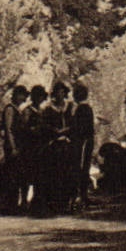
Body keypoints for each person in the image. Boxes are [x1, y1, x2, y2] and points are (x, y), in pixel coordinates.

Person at [47, 82, 78, 212]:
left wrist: (66, 130)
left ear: (65, 93)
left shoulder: (70, 107)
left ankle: (69, 201)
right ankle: (57, 202)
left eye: (62, 92)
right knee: (56, 173)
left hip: (68, 142)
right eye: (57, 92)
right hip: (55, 144)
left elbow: (75, 124)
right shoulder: (49, 109)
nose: (60, 94)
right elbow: (46, 126)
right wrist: (55, 131)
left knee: (69, 172)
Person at [1, 84, 30, 212]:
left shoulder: (19, 110)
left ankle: (20, 203)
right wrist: (12, 147)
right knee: (12, 175)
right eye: (20, 95)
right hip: (12, 146)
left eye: (23, 96)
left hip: (21, 146)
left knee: (21, 175)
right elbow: (8, 129)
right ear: (16, 96)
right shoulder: (10, 109)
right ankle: (11, 205)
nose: (22, 98)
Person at [25, 84, 52, 213]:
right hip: (31, 146)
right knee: (34, 174)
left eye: (41, 96)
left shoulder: (42, 111)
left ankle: (40, 201)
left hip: (42, 146)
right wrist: (35, 130)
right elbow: (23, 129)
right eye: (37, 96)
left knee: (42, 174)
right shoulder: (28, 111)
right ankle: (33, 202)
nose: (40, 99)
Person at [72, 82, 96, 209]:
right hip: (88, 140)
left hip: (82, 142)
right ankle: (83, 195)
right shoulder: (87, 108)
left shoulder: (81, 109)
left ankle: (80, 196)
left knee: (80, 167)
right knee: (84, 167)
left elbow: (80, 128)